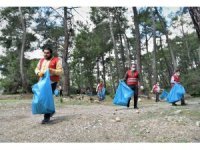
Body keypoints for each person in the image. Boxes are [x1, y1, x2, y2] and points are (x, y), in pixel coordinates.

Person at [35, 47, 63, 124]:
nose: (46, 54)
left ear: (51, 53)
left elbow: (60, 72)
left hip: (52, 82)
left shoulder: (57, 60)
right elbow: (36, 69)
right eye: (45, 53)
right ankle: (51, 111)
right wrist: (38, 73)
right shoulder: (41, 60)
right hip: (41, 82)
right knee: (41, 98)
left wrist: (51, 70)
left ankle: (46, 117)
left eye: (47, 53)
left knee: (46, 98)